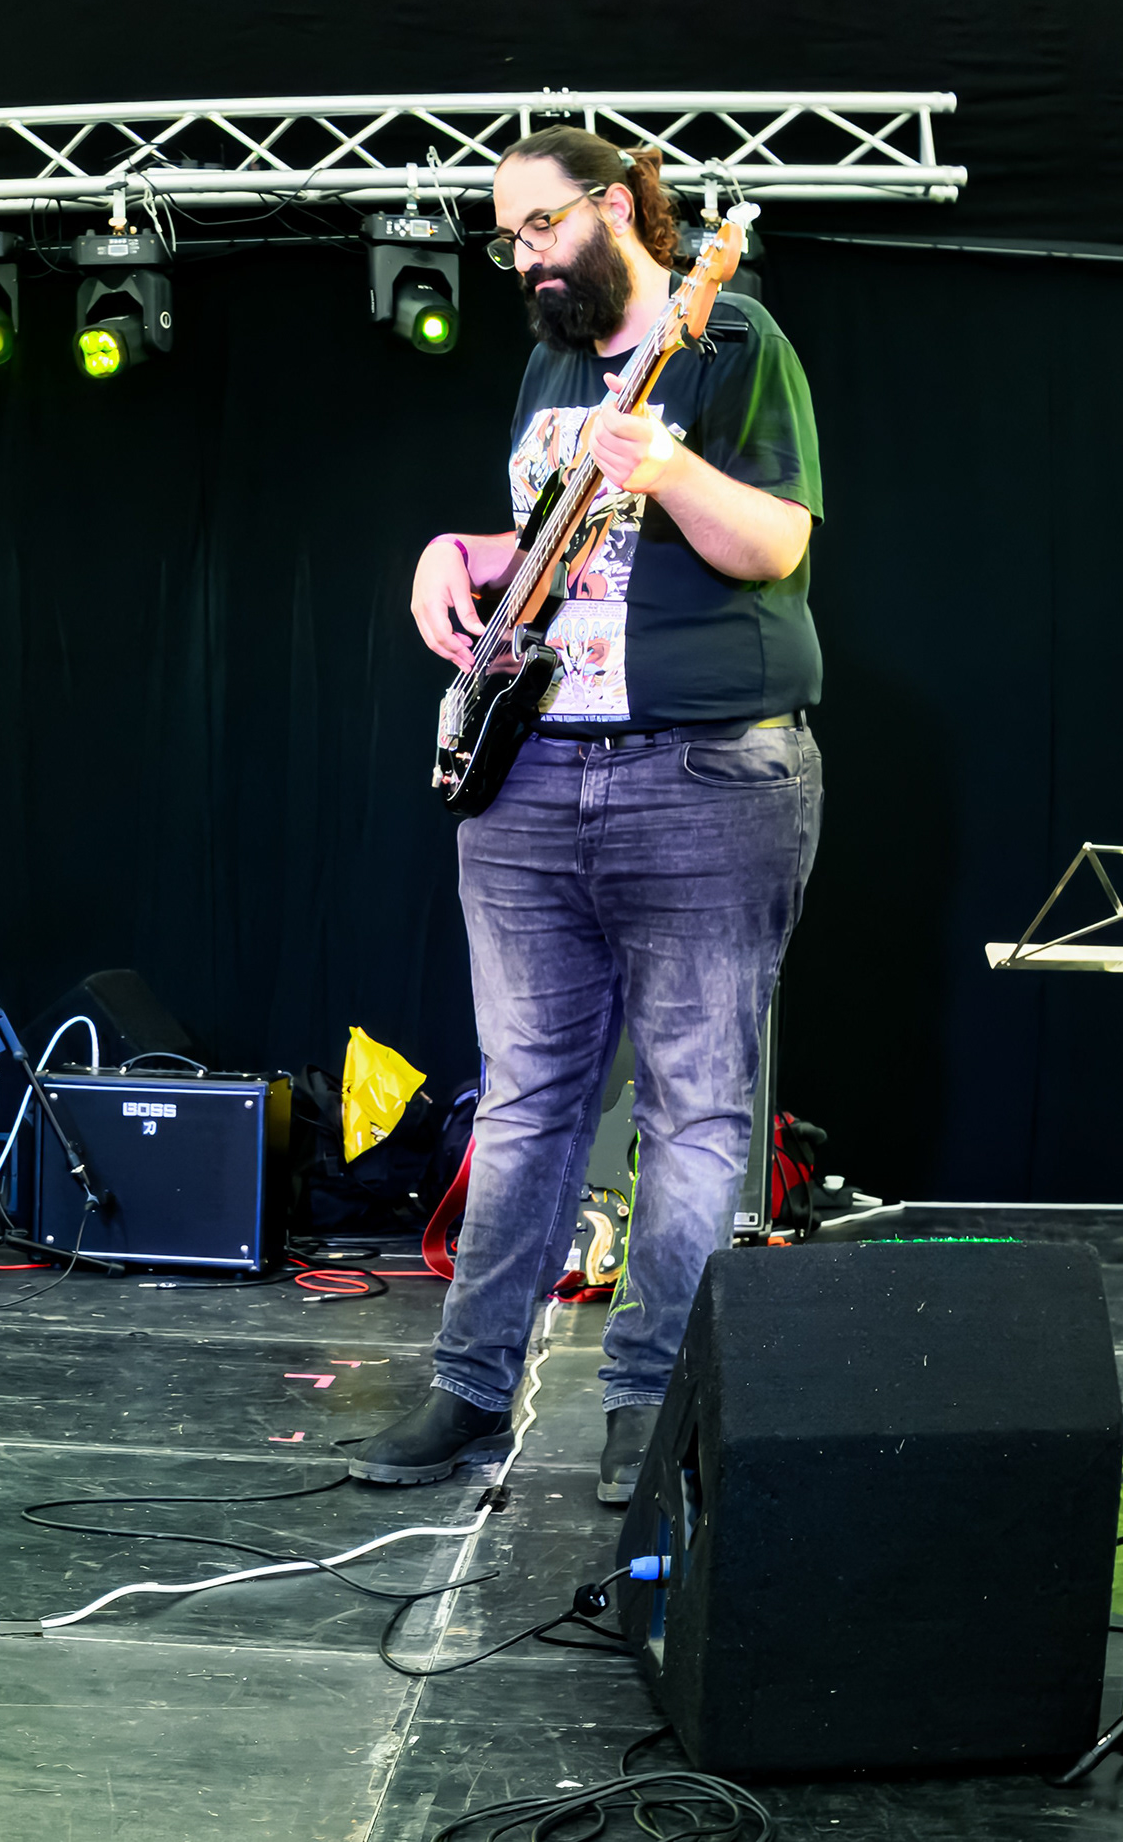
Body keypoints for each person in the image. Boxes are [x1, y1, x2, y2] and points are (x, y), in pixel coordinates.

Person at [343, 127, 824, 1506]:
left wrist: (670, 468)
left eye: (540, 227)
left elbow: (775, 543)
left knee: (693, 1110)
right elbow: (556, 541)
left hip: (708, 774)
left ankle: (647, 1406)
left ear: (616, 209)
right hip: (534, 775)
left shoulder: (732, 339)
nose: (523, 259)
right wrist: (455, 551)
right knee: (527, 1096)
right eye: (507, 240)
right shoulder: (549, 363)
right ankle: (470, 1385)